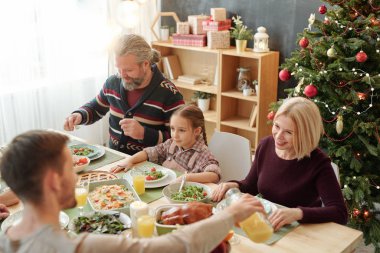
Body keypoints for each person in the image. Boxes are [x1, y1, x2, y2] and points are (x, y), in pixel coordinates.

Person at [0, 130, 265, 253]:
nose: (78, 175)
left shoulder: (7, 234)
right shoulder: (81, 247)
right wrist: (229, 215)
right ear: (52, 181)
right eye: (71, 168)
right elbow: (176, 246)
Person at [212, 97, 348, 231]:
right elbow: (251, 185)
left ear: (305, 134)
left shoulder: (319, 163)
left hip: (302, 230)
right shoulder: (265, 145)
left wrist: (297, 213)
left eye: (288, 132)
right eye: (277, 126)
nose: (278, 136)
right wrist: (233, 185)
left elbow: (340, 213)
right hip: (269, 224)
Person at [63, 34, 185, 155]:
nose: (122, 75)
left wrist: (144, 134)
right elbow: (96, 107)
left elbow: (181, 140)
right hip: (114, 159)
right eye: (119, 69)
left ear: (145, 64)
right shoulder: (113, 82)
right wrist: (80, 115)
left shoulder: (170, 94)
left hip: (151, 167)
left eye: (128, 70)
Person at [111, 104, 221, 184]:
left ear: (196, 131)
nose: (175, 135)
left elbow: (214, 175)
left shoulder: (203, 153)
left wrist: (186, 178)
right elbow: (150, 152)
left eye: (181, 130)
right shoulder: (171, 144)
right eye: (173, 129)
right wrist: (130, 160)